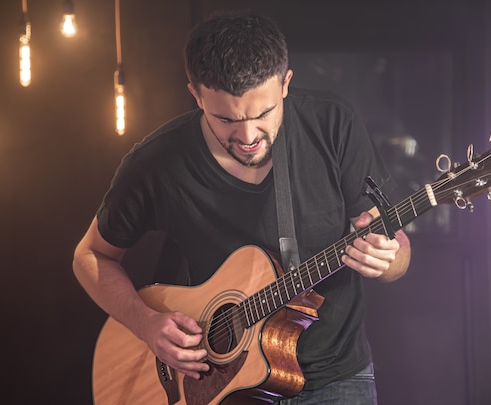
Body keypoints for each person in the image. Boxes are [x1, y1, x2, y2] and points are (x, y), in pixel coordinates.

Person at [73, 11, 411, 405]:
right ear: (196, 95)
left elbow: (393, 242)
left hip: (335, 377)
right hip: (220, 387)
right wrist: (146, 323)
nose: (249, 136)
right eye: (226, 119)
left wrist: (390, 260)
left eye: (263, 114)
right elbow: (91, 255)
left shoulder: (333, 125)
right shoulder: (156, 162)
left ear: (285, 83)